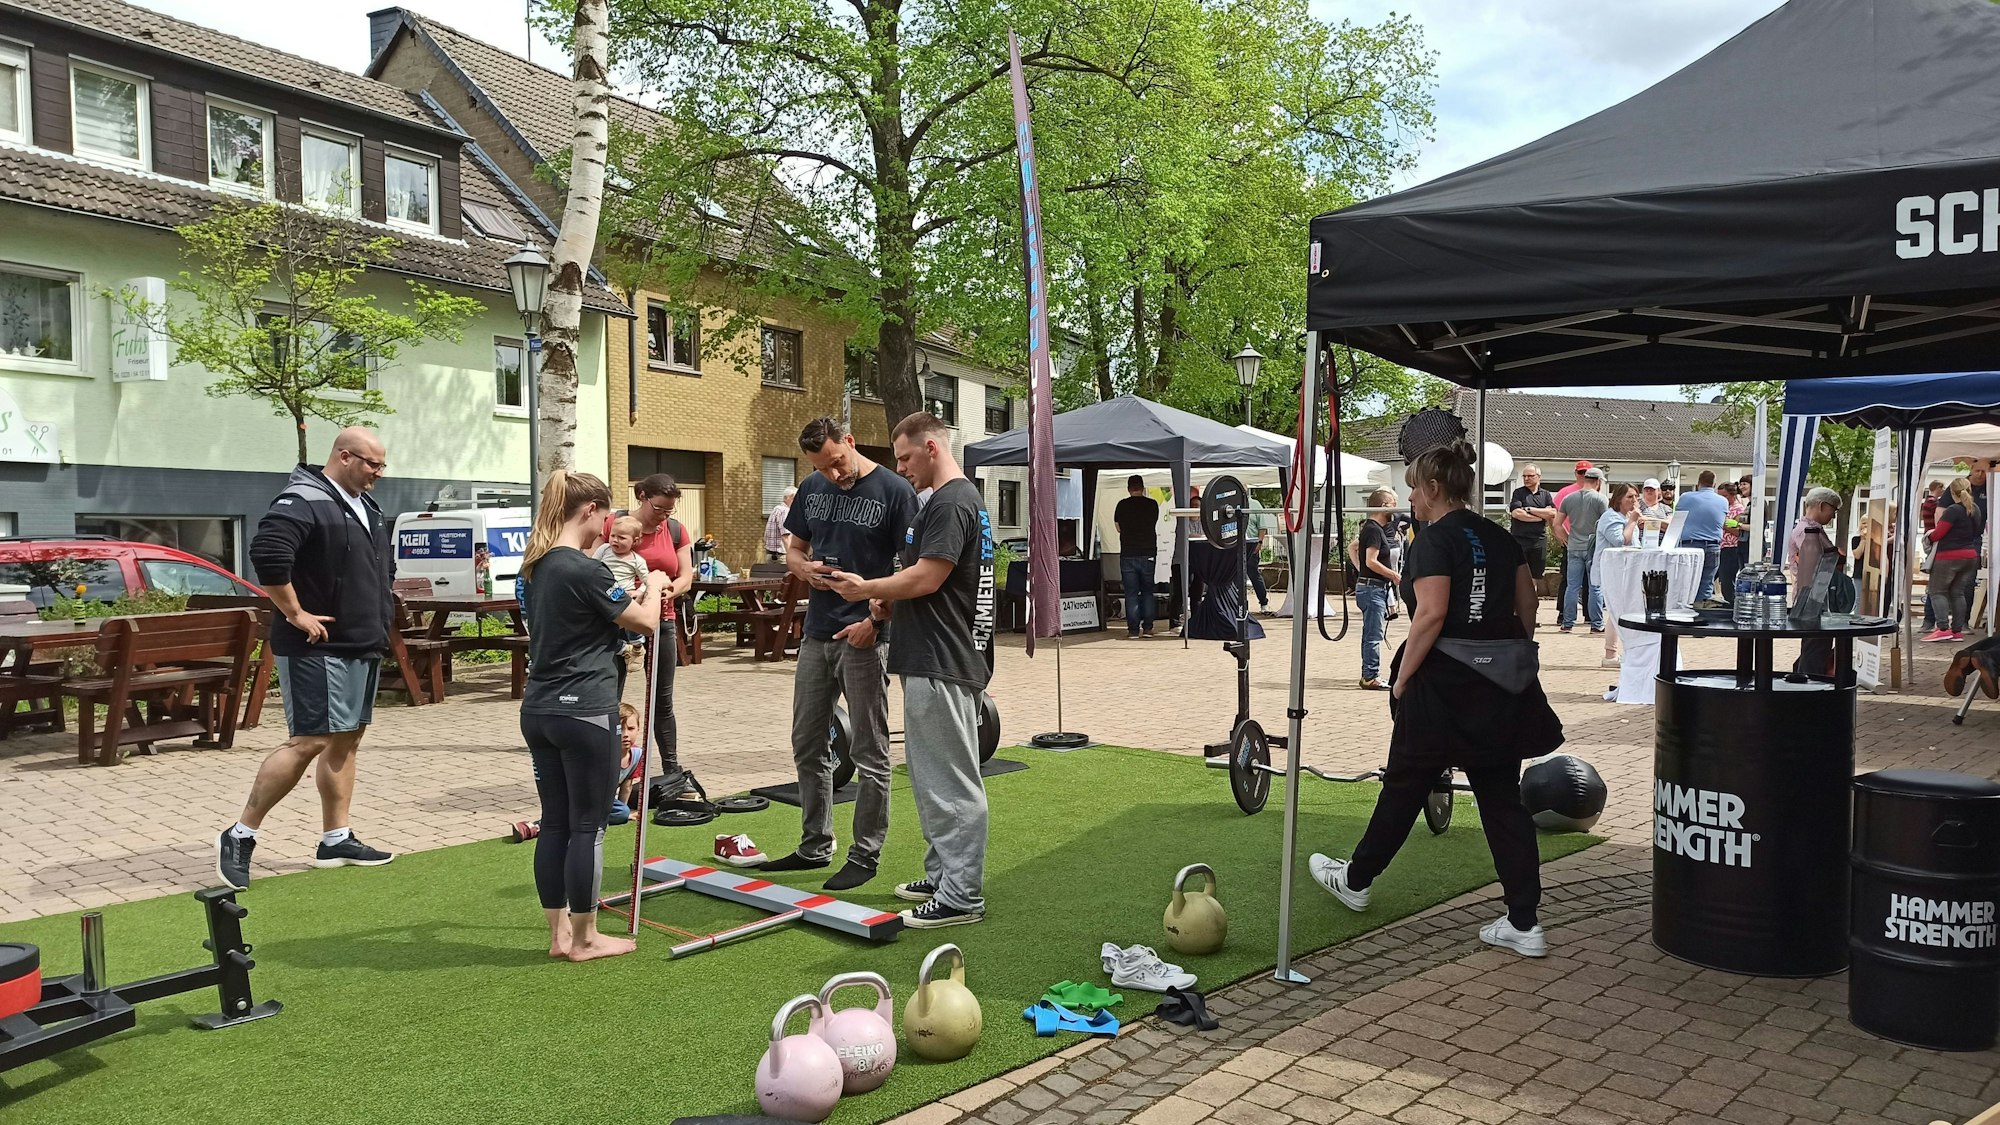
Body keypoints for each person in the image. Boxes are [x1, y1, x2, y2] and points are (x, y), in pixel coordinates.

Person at [1308, 439, 1562, 958]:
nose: (1411, 502)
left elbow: (1431, 613)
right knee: (1500, 799)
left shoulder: (1431, 540)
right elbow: (1528, 604)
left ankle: (1355, 880)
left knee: (1403, 786)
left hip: (1443, 686)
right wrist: (1511, 652)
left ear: (1433, 487)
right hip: (1499, 688)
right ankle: (1524, 921)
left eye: (1414, 492)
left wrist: (1402, 681)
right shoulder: (1498, 536)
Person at [826, 412, 993, 929]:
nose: (900, 469)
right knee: (929, 774)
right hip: (938, 656)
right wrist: (876, 614)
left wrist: (865, 588)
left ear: (931, 447)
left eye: (904, 458)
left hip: (943, 659)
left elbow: (925, 578)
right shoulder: (951, 503)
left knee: (951, 782)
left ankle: (961, 895)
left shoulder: (951, 502)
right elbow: (925, 584)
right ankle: (944, 874)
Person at [216, 427, 397, 891]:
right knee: (310, 740)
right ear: (344, 456)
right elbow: (268, 555)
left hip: (361, 640)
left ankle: (336, 839)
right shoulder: (302, 499)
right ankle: (239, 835)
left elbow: (376, 567)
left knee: (347, 740)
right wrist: (295, 613)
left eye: (382, 465)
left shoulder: (365, 504)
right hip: (318, 647)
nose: (379, 473)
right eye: (372, 464)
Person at [517, 469, 667, 962]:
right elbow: (643, 621)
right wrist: (658, 582)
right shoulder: (583, 569)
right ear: (588, 511)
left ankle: (559, 936)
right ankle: (584, 939)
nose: (608, 525)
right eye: (605, 515)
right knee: (588, 826)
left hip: (539, 709)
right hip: (584, 709)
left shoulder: (535, 567)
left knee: (555, 823)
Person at [765, 417, 919, 890]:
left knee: (870, 750)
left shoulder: (894, 491)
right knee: (807, 741)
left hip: (864, 636)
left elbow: (912, 572)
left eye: (837, 462)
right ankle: (816, 845)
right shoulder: (813, 487)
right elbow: (793, 550)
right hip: (817, 633)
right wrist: (802, 568)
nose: (833, 474)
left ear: (849, 442)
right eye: (822, 468)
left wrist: (876, 621)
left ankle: (866, 853)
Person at [622, 474, 696, 791]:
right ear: (641, 496)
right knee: (610, 699)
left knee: (661, 700)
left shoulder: (676, 530)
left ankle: (671, 772)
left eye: (669, 510)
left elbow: (686, 576)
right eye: (658, 509)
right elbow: (595, 567)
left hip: (662, 619)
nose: (664, 516)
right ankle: (611, 769)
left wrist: (670, 592)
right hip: (621, 621)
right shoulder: (617, 525)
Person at [1788, 487, 1842, 675]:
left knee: (1816, 646)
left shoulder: (1811, 529)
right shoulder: (1807, 531)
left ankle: (1804, 678)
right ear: (1821, 506)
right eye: (1833, 511)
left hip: (1815, 597)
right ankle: (1809, 685)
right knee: (1815, 648)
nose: (1833, 517)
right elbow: (1811, 566)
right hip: (1812, 598)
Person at [1353, 488, 1400, 690]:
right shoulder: (1373, 529)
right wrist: (1394, 575)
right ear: (1383, 506)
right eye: (1393, 505)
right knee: (1373, 634)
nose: (1396, 509)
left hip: (1370, 587)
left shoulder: (1372, 528)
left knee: (1370, 634)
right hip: (1373, 589)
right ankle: (1371, 675)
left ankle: (1369, 673)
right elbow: (1371, 561)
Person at [1928, 477, 1984, 643]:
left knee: (1937, 591)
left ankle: (1943, 628)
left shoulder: (1952, 510)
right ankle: (1957, 631)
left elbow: (1939, 534)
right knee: (1958, 593)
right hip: (1970, 555)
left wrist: (1929, 535)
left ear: (1952, 493)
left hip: (1948, 556)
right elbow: (1975, 533)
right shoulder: (1975, 509)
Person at [1554, 467, 1607, 634]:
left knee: (1572, 586)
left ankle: (1568, 623)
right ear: (1598, 481)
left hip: (1574, 546)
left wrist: (1566, 538)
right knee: (1595, 587)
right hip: (1594, 547)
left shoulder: (1569, 498)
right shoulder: (1601, 499)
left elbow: (1557, 523)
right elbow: (1606, 523)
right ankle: (1596, 624)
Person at [1594, 483, 1639, 667]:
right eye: (1629, 497)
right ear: (1618, 498)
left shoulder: (1625, 517)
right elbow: (1620, 540)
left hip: (1626, 570)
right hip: (1613, 571)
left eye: (1636, 496)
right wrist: (1633, 521)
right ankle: (1610, 655)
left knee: (1620, 611)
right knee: (1615, 612)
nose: (1634, 500)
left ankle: (1615, 653)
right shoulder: (1610, 517)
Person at [1114, 475, 1161, 639]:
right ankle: (1148, 628)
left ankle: (1133, 630)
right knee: (1147, 591)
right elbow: (1153, 522)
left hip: (1128, 553)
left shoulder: (1121, 505)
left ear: (1128, 488)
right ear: (1142, 487)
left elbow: (1118, 528)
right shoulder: (1152, 505)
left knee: (1131, 593)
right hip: (1148, 552)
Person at [1675, 471, 1730, 605]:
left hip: (1690, 546)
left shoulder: (1685, 497)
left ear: (1698, 484)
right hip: (1713, 546)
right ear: (1714, 485)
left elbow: (1678, 517)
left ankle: (1686, 613)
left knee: (1687, 583)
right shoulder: (1723, 501)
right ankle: (1702, 612)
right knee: (1706, 583)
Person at [1551, 461, 1593, 628]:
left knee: (1589, 580)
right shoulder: (1565, 493)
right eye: (1581, 472)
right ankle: (1563, 614)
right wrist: (1560, 535)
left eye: (1587, 473)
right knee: (1568, 580)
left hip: (1589, 543)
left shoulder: (1595, 492)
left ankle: (1589, 614)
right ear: (1576, 474)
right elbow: (1554, 516)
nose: (1584, 476)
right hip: (1571, 541)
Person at [1505, 465, 1558, 590]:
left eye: (1530, 476)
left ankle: (1531, 606)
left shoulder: (1545, 495)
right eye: (1524, 476)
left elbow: (1552, 513)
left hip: (1538, 540)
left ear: (1538, 477)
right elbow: (1517, 513)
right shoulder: (1519, 493)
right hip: (1520, 539)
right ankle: (1517, 606)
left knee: (1536, 575)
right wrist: (1540, 517)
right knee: (1520, 573)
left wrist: (1529, 509)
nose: (1526, 478)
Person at [1718, 483, 1749, 605]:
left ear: (1733, 495)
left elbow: (1738, 532)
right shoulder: (1721, 507)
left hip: (1732, 548)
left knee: (1727, 578)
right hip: (1721, 546)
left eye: (1724, 496)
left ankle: (1731, 603)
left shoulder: (1739, 509)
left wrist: (1724, 524)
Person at [1921, 479, 1945, 630]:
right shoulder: (1932, 502)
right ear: (1938, 488)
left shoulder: (1927, 502)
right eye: (1942, 488)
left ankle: (1929, 619)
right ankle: (1931, 619)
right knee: (1935, 585)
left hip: (1930, 541)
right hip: (1934, 543)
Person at [764, 485, 796, 560]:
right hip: (781, 557)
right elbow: (786, 537)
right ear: (786, 498)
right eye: (794, 498)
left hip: (770, 555)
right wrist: (792, 558)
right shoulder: (784, 511)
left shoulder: (776, 509)